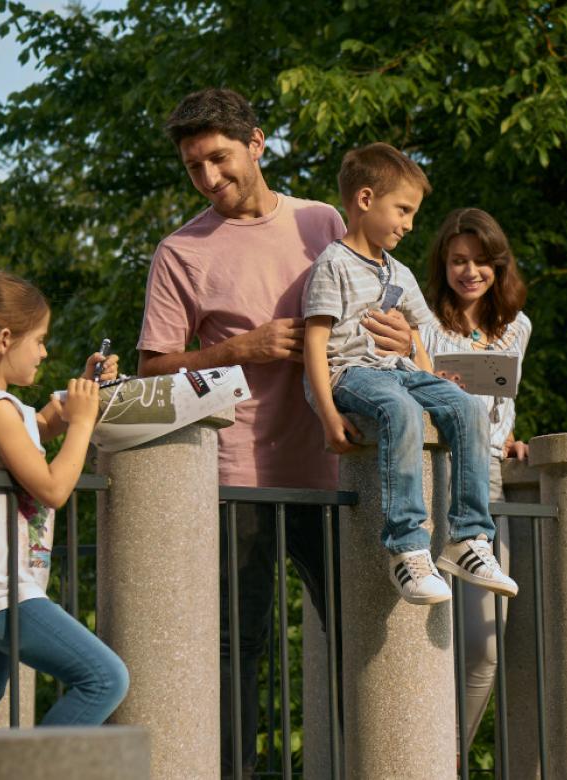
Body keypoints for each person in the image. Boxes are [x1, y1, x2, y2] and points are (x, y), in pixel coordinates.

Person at [136, 88, 412, 779]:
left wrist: (406, 336)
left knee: (367, 633)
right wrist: (240, 348)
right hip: (236, 481)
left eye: (220, 159)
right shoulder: (180, 251)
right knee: (237, 645)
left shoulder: (323, 222)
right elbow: (151, 372)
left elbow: (394, 307)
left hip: (340, 468)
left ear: (258, 144)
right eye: (194, 167)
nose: (209, 178)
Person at [302, 143, 518, 605]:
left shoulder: (398, 271)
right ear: (365, 200)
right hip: (350, 374)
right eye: (403, 210)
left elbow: (418, 345)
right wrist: (326, 416)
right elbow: (315, 345)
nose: (409, 224)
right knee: (398, 410)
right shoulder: (332, 265)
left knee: (466, 407)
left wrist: (432, 379)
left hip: (398, 371)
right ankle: (406, 546)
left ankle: (469, 538)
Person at [0, 269, 129, 728]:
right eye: (40, 340)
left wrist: (82, 390)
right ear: (4, 339)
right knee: (105, 679)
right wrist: (83, 424)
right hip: (3, 591)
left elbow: (37, 428)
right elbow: (52, 488)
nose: (44, 352)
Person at [419, 207, 530, 745]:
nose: (470, 272)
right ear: (443, 263)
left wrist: (512, 439)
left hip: (488, 484)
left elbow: (504, 407)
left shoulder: (517, 326)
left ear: (498, 265)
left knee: (486, 645)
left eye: (481, 261)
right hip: (429, 477)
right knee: (426, 639)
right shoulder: (423, 320)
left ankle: (451, 756)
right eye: (459, 260)